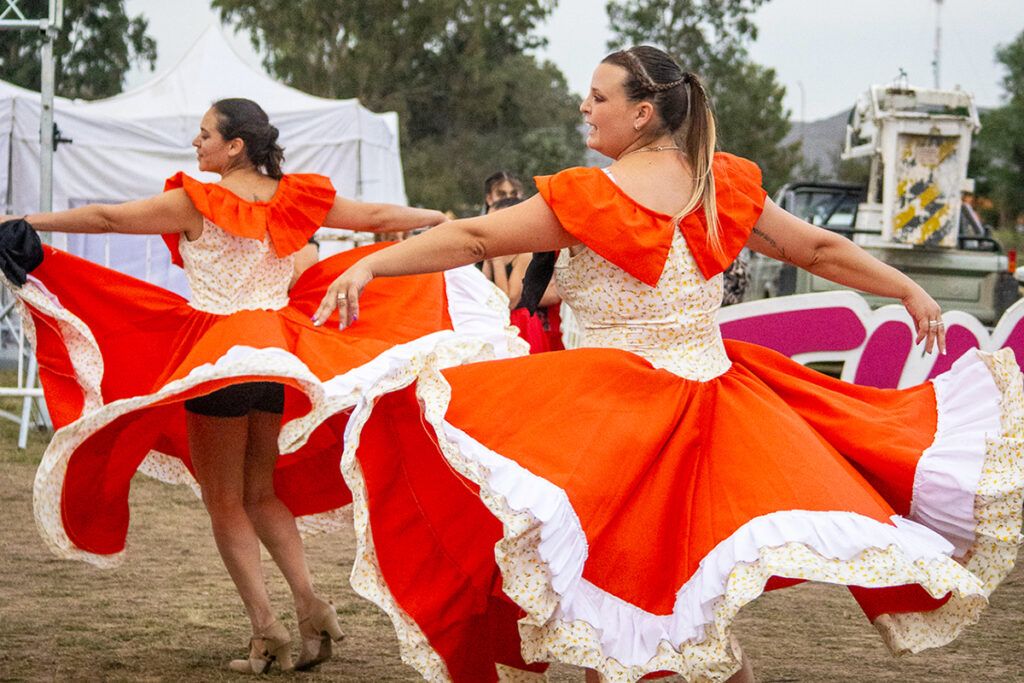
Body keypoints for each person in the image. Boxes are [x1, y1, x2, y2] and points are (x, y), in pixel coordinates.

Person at [313, 47, 1024, 682]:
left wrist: (373, 264)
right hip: (713, 411)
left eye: (598, 97)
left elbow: (471, 237)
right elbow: (816, 250)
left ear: (643, 112)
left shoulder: (597, 195)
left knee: (615, 605)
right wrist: (905, 285)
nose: (584, 107)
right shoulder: (719, 184)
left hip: (616, 421)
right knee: (679, 607)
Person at [0, 98, 521, 674]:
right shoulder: (293, 197)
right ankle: (310, 605)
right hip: (275, 360)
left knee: (224, 501)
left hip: (219, 358)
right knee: (260, 493)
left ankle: (266, 631)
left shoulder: (194, 201)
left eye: (204, 136)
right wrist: (439, 218)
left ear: (235, 146)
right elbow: (373, 217)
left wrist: (26, 224)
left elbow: (107, 219)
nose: (195, 145)